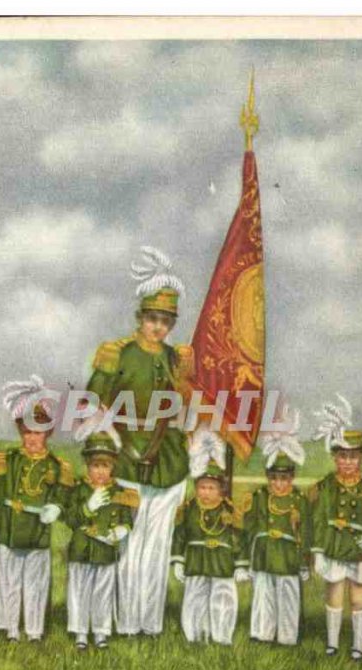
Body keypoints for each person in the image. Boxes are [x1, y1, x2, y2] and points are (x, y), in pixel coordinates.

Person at [86, 247, 193, 637]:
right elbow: (94, 404)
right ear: (140, 318)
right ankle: (126, 622)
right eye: (152, 319)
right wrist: (113, 444)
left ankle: (150, 622)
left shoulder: (180, 358)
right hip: (127, 458)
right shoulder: (117, 354)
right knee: (129, 544)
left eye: (166, 321)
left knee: (158, 547)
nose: (159, 327)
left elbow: (185, 410)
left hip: (169, 462)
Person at [0, 375, 74, 641]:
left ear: (48, 433)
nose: (32, 438)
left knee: (36, 583)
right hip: (10, 529)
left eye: (37, 432)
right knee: (10, 582)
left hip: (38, 532)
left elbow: (63, 494)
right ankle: (10, 629)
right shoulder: (9, 459)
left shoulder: (57, 465)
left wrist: (57, 507)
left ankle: (35, 630)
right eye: (27, 431)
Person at [311, 395, 362, 660]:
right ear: (334, 457)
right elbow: (319, 519)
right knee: (334, 594)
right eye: (342, 456)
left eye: (353, 456)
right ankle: (332, 644)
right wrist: (317, 551)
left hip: (361, 551)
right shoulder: (326, 486)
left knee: (359, 599)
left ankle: (357, 648)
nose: (348, 462)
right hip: (335, 548)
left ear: (361, 456)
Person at [63, 417, 136, 650]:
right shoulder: (78, 490)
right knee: (79, 591)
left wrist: (121, 531)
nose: (100, 471)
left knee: (103, 592)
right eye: (95, 465)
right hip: (81, 549)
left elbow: (126, 520)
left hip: (105, 550)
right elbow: (70, 519)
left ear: (113, 467)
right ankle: (81, 633)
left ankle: (101, 632)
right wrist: (87, 507)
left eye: (105, 466)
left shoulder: (120, 493)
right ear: (87, 466)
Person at [170, 427, 248, 645]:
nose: (205, 492)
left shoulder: (230, 511)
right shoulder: (188, 509)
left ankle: (222, 636)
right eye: (202, 487)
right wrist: (178, 560)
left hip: (222, 563)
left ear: (221, 490)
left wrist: (241, 565)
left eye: (211, 488)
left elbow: (238, 539)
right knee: (195, 598)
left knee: (223, 598)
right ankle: (196, 635)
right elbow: (180, 535)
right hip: (196, 561)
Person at [242, 409, 310, 646]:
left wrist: (304, 561)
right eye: (274, 478)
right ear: (268, 477)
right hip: (263, 555)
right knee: (263, 596)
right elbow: (249, 529)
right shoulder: (260, 496)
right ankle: (262, 633)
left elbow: (306, 532)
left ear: (291, 478)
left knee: (288, 596)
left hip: (288, 557)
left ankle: (287, 637)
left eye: (284, 479)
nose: (279, 484)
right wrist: (244, 560)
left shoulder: (299, 500)